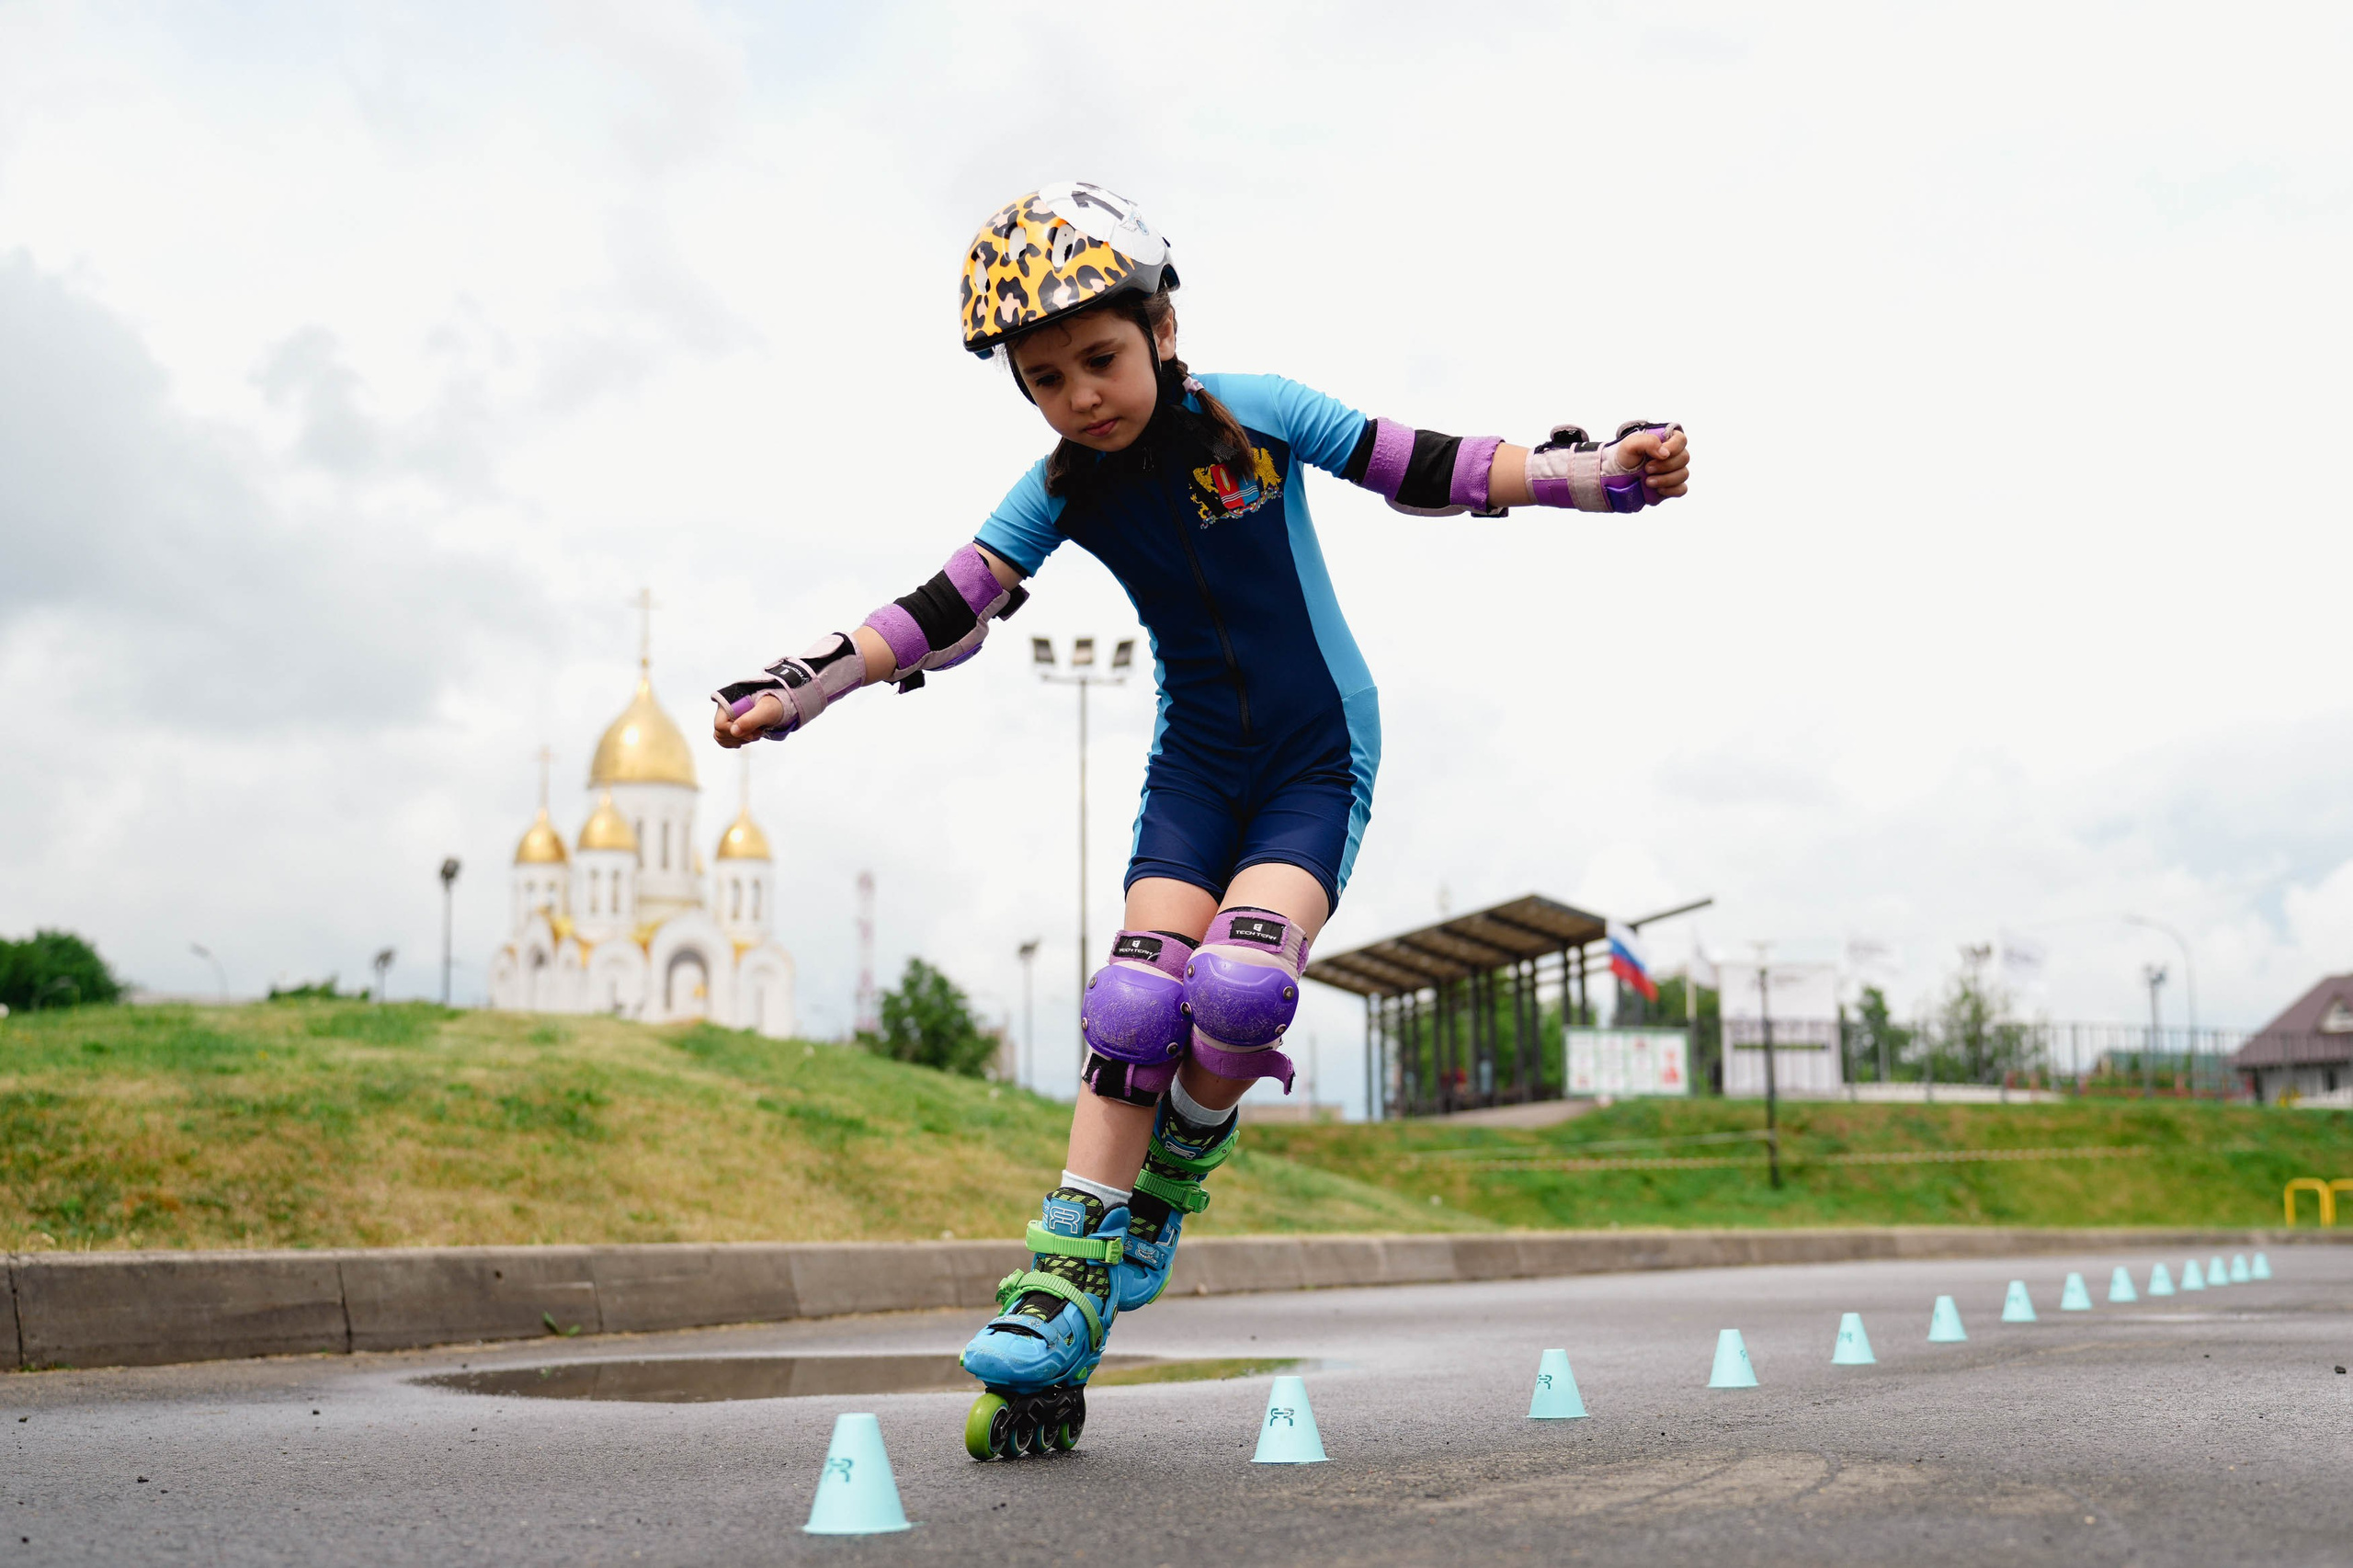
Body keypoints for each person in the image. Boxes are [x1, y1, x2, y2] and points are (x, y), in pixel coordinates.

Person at [712, 182, 1690, 1459]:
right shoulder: (1062, 487)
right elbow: (949, 603)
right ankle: (1064, 1283)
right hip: (1196, 770)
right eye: (1047, 378)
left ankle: (1171, 1174)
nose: (1081, 397)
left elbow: (1432, 464)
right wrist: (809, 683)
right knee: (1130, 1005)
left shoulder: (1260, 413)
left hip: (1310, 755)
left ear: (1163, 329)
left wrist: (1595, 474)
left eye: (1102, 359)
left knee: (1234, 989)